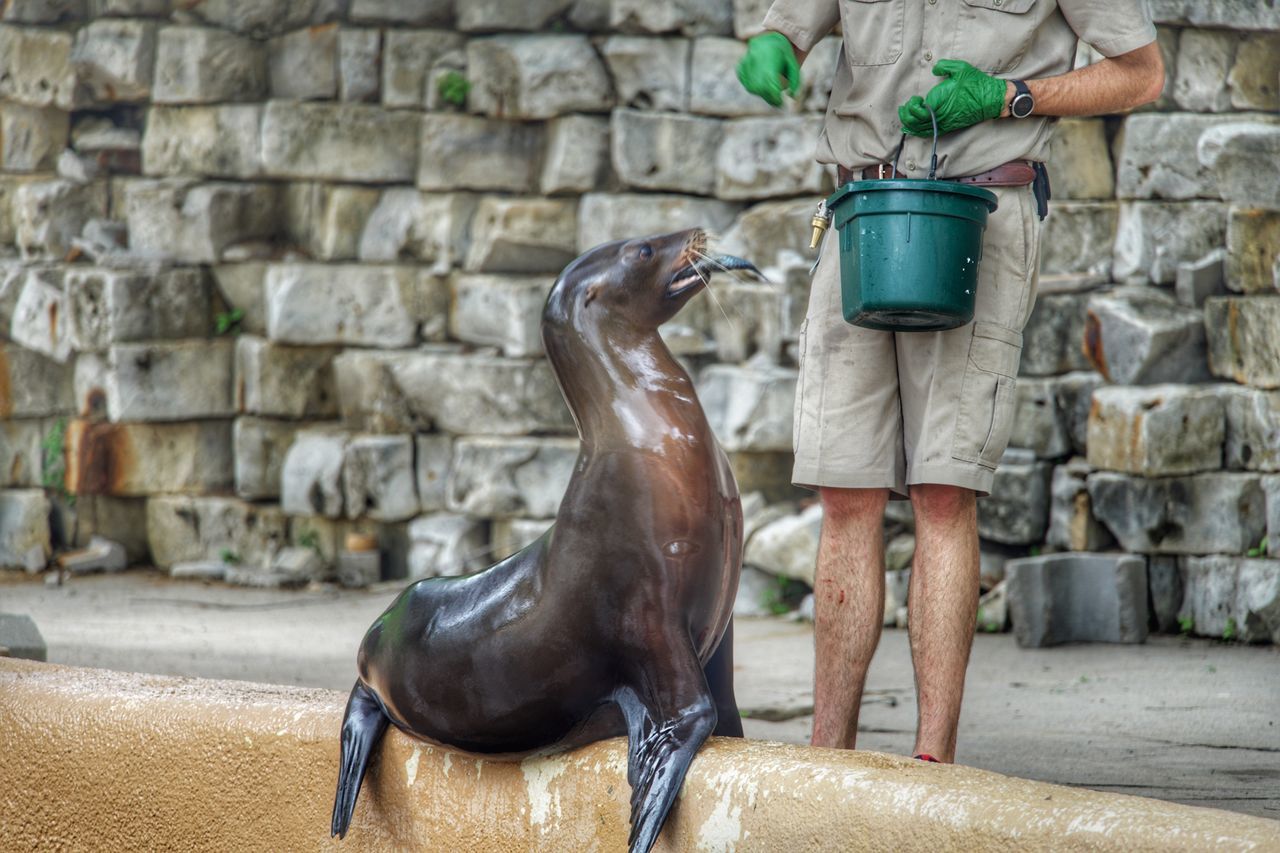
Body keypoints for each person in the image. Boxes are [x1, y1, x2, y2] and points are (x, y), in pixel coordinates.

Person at [737, 1, 1164, 763]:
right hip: (862, 210)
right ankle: (827, 763)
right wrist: (773, 44)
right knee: (845, 490)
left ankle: (934, 767)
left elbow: (1141, 74)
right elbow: (791, 24)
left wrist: (1010, 96)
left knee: (943, 489)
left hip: (984, 211)